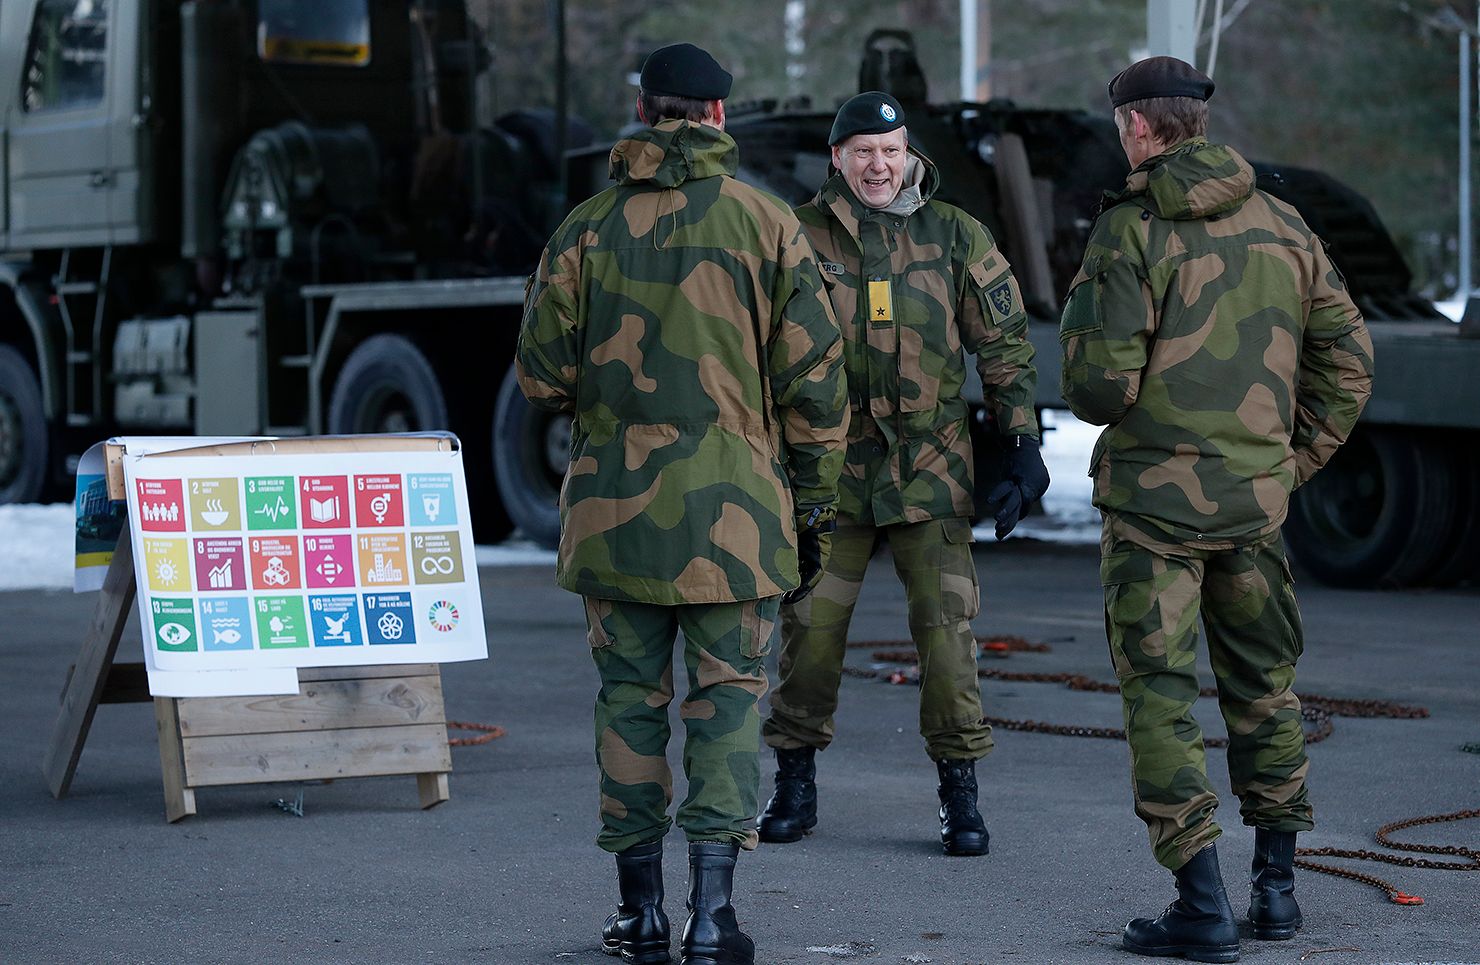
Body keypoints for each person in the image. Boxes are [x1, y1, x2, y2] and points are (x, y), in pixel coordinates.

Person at [516, 42, 847, 965]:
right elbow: (818, 390)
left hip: (613, 514)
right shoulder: (770, 224)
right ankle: (713, 915)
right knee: (729, 705)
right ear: (718, 116)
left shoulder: (583, 228)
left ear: (640, 108)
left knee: (628, 704)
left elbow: (540, 378)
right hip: (736, 519)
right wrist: (811, 512)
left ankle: (640, 913)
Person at [1059, 57, 1374, 962]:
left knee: (1160, 696)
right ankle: (1275, 893)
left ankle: (1200, 903)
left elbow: (1098, 389)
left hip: (1154, 510)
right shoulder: (1283, 221)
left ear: (1137, 129)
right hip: (1253, 506)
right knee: (1266, 690)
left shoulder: (1129, 231)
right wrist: (1287, 464)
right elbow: (1349, 364)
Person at [757, 91, 1048, 857]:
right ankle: (793, 779)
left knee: (947, 639)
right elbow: (760, 351)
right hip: (829, 473)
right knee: (809, 635)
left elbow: (1006, 343)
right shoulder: (796, 233)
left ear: (909, 153)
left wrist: (1023, 442)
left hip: (929, 471)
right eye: (862, 152)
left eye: (890, 151)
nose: (877, 166)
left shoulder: (954, 234)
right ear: (837, 159)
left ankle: (960, 792)